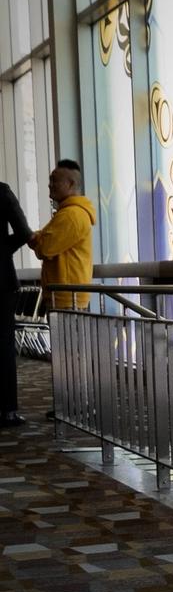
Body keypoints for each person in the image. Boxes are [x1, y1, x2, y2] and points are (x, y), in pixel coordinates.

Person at [29, 160, 96, 311]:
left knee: (67, 336)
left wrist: (35, 240)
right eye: (50, 180)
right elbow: (45, 237)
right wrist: (38, 238)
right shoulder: (68, 213)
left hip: (67, 298)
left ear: (71, 184)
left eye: (55, 180)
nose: (50, 185)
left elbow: (45, 247)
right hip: (65, 296)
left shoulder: (72, 215)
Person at [0, 181, 32, 427]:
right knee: (4, 346)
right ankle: (8, 410)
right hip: (1, 282)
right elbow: (24, 233)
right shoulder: (1, 192)